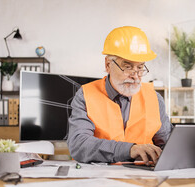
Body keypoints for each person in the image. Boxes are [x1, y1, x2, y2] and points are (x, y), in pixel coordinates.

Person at [67, 26, 172, 165]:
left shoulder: (154, 98)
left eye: (140, 67)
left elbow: (169, 144)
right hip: (98, 179)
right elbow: (79, 144)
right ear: (108, 65)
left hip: (144, 179)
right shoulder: (85, 95)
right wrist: (130, 150)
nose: (135, 75)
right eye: (127, 66)